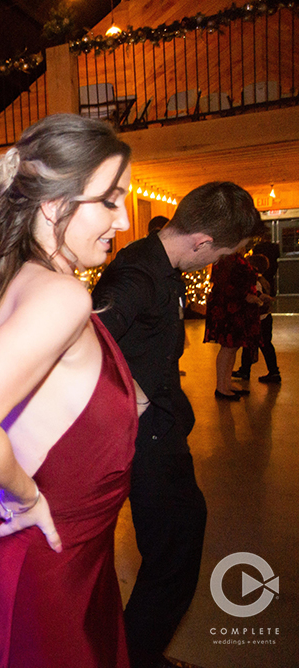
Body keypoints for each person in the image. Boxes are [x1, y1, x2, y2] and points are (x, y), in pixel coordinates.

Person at [0, 114, 140, 668]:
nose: (122, 219)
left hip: (73, 558)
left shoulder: (17, 280)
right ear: (54, 205)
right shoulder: (59, 296)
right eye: (110, 200)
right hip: (50, 565)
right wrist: (25, 493)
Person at [92, 181, 263, 668]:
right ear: (203, 242)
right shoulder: (137, 277)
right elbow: (79, 341)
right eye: (220, 253)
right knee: (176, 550)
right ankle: (135, 658)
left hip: (163, 427)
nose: (214, 263)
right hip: (145, 437)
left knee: (179, 540)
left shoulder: (160, 266)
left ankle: (135, 653)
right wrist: (136, 399)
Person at [204, 249, 263, 399]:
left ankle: (226, 383)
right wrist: (245, 296)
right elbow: (224, 285)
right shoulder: (226, 257)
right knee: (228, 346)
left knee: (233, 346)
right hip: (229, 308)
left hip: (237, 308)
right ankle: (221, 387)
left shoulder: (234, 256)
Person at [234, 254, 280, 383]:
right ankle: (248, 369)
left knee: (253, 345)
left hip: (258, 319)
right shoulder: (264, 280)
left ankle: (267, 371)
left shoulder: (255, 282)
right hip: (265, 318)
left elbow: (256, 299)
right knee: (262, 345)